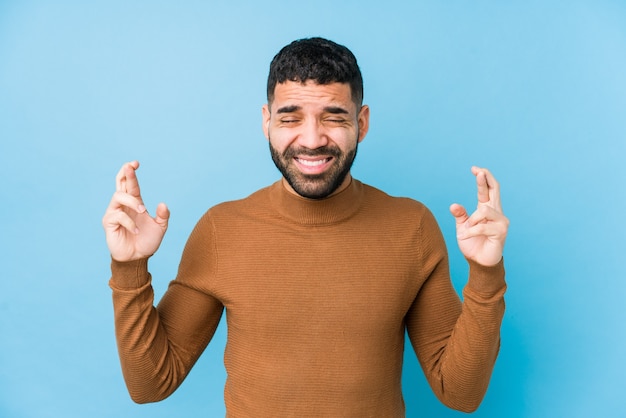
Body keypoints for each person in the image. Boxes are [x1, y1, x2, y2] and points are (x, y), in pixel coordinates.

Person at [103, 37, 508, 416]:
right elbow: (151, 385)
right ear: (266, 122)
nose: (312, 139)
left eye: (333, 117)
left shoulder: (412, 226)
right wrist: (129, 269)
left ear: (362, 124)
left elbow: (460, 393)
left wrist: (486, 275)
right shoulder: (220, 230)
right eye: (290, 118)